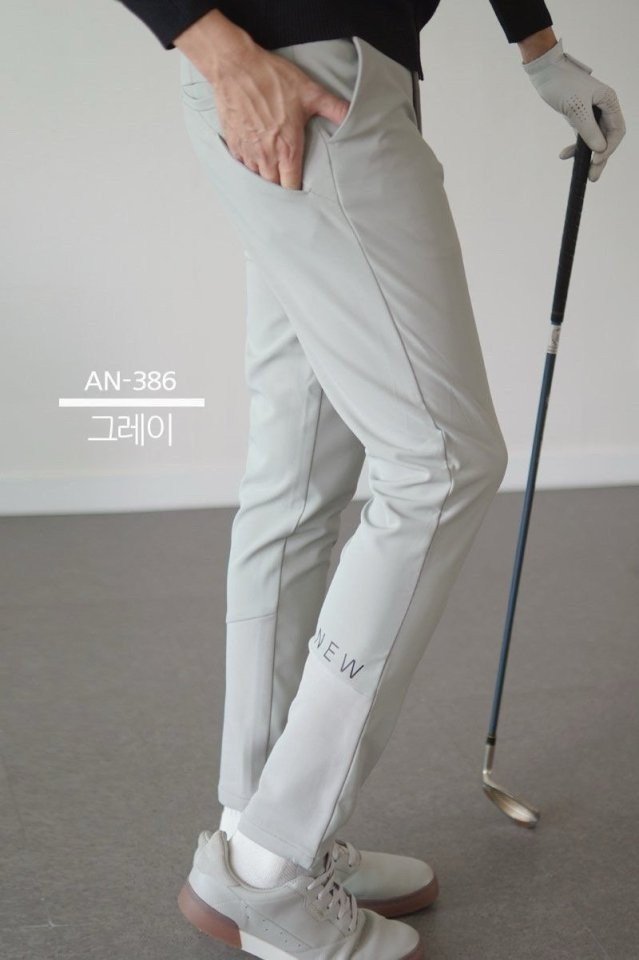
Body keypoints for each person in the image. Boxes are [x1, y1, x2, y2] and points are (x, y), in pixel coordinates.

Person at [116, 3, 626, 959]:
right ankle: (271, 868)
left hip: (325, 69)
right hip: (302, 74)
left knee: (300, 473)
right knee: (439, 462)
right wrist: (216, 48)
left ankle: (254, 831)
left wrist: (539, 48)